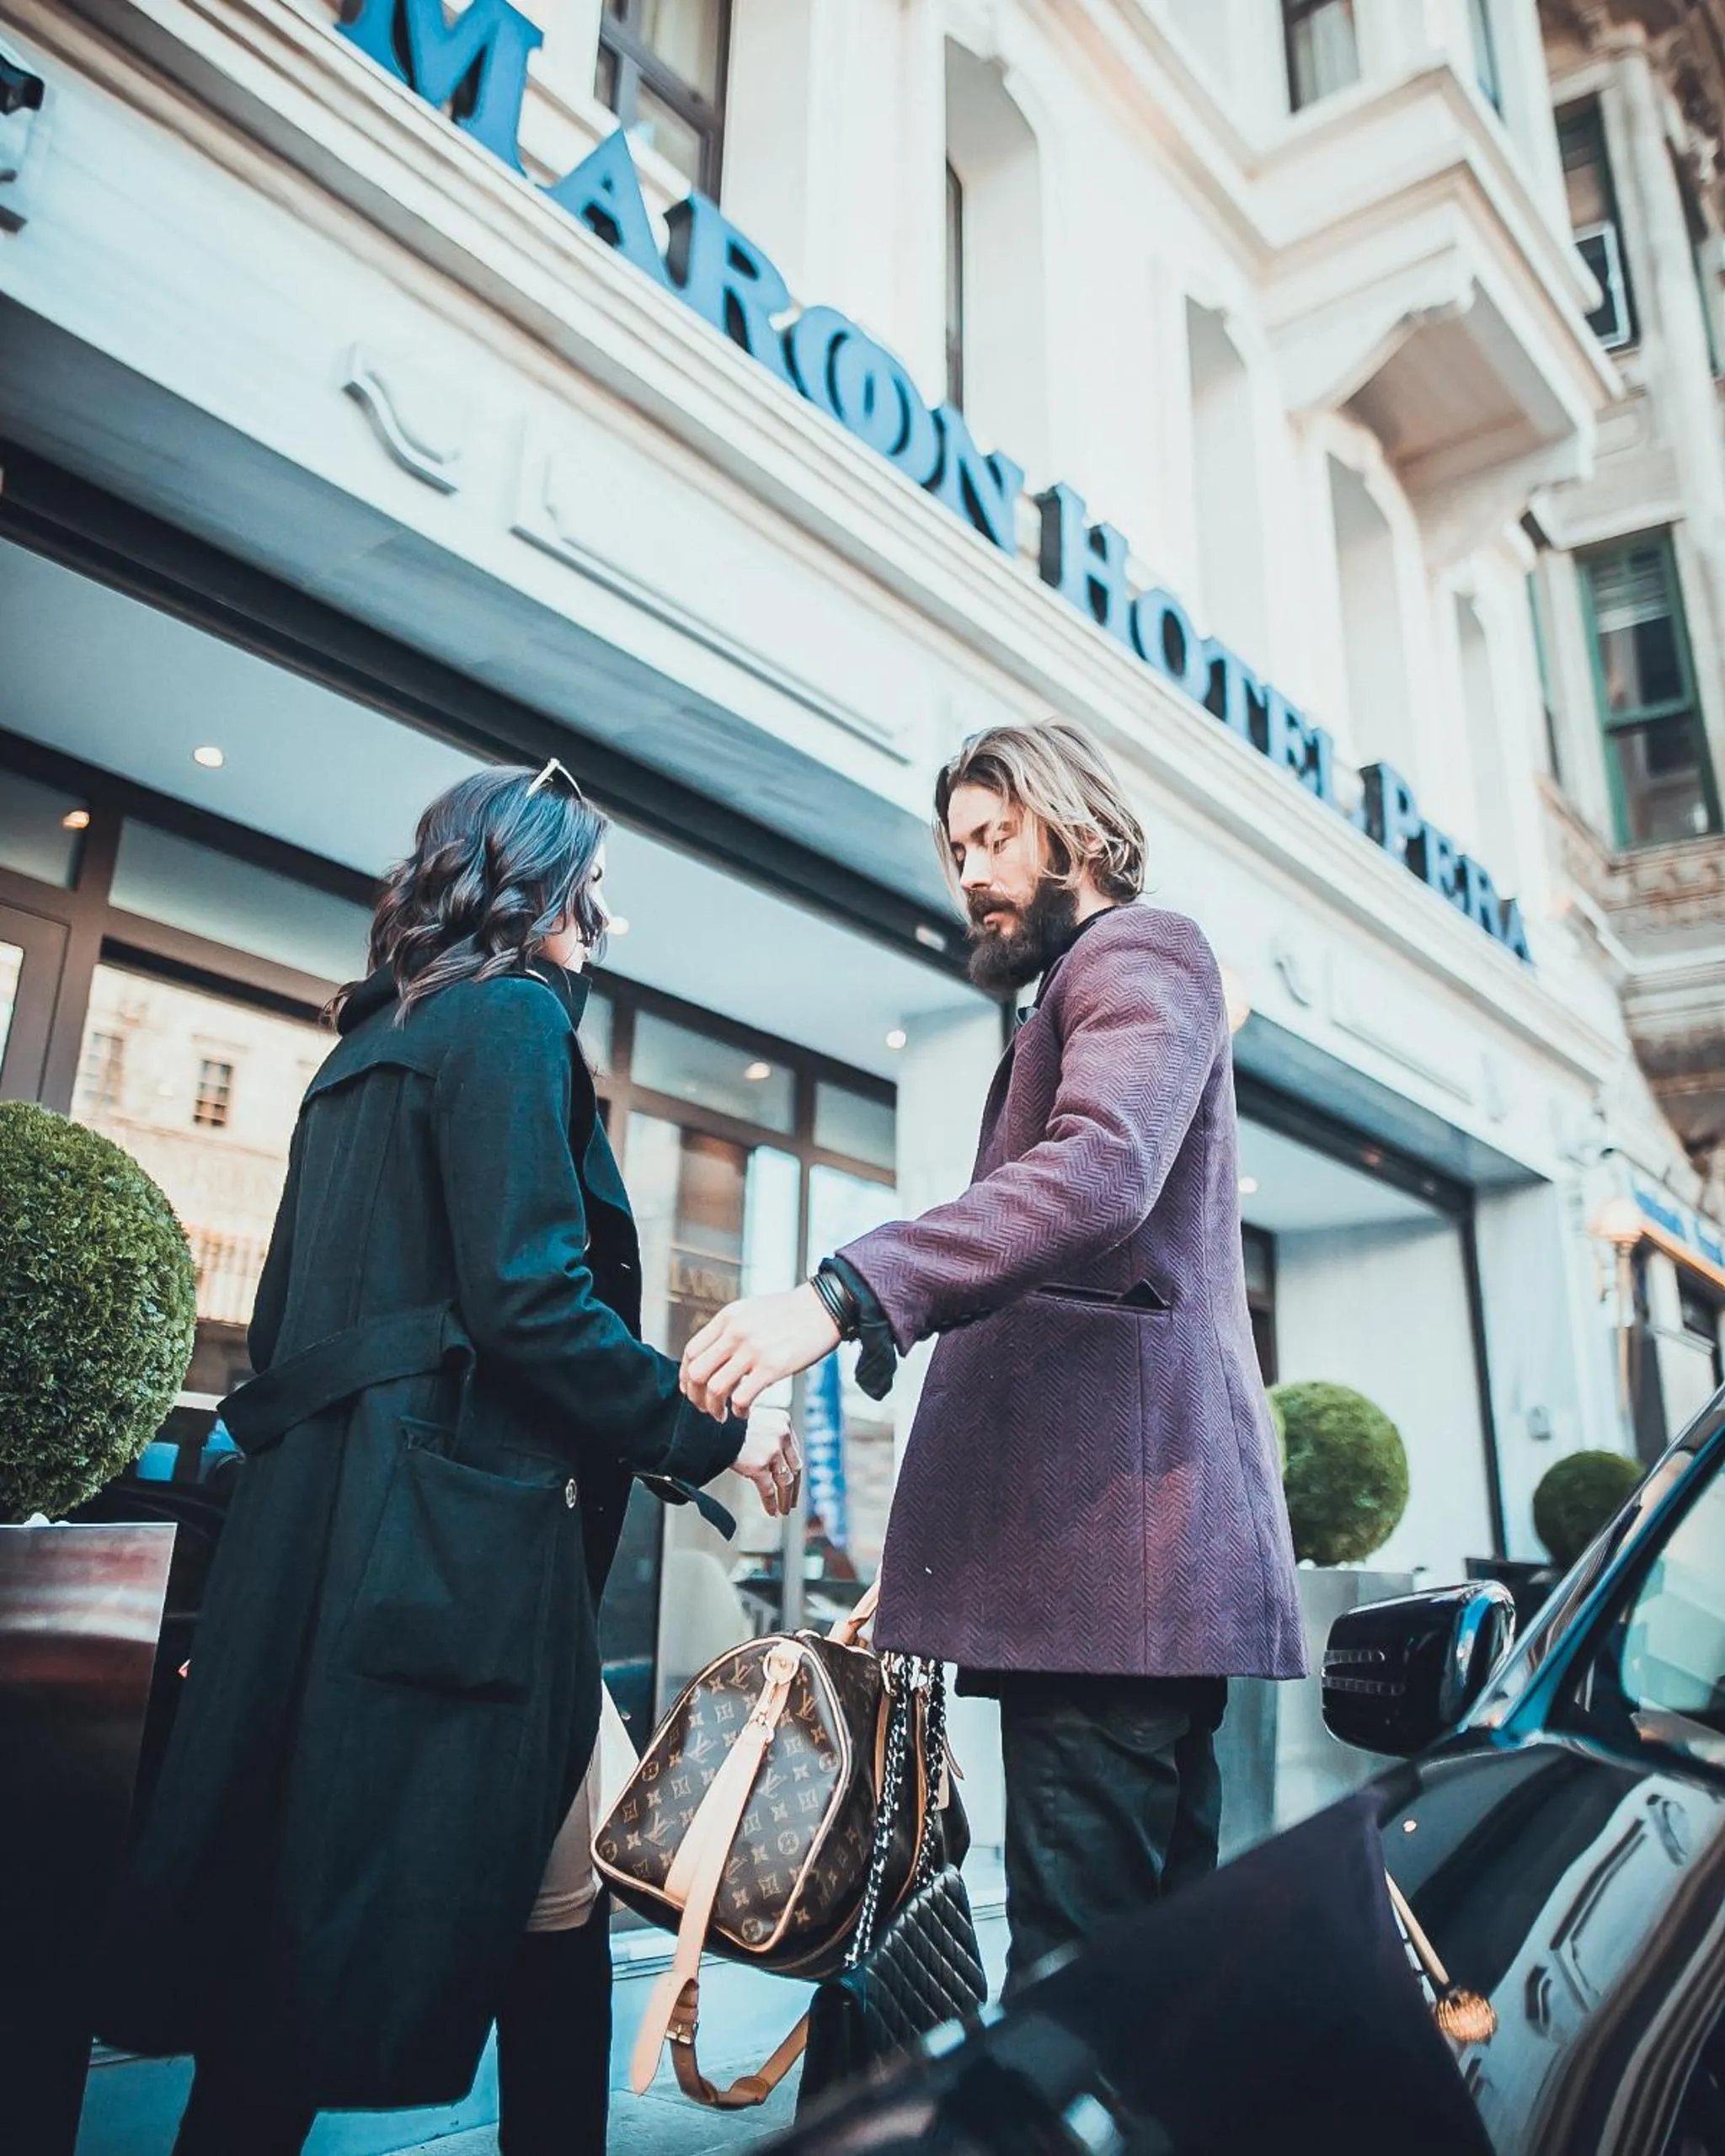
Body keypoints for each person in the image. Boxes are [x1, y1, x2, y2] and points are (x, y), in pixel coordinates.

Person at [97, 760, 802, 2153]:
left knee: (317, 1919)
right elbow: (533, 1301)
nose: (604, 914)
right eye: (590, 881)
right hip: (457, 1570)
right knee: (526, 1918)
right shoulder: (511, 1027)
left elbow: (290, 1324)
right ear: (535, 882)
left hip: (331, 1553)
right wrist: (710, 1432)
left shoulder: (359, 1054)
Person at [680, 720, 1306, 1991]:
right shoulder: (1079, 986)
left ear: (1074, 821)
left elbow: (1098, 1174)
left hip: (1110, 1578)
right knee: (1144, 1973)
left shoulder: (1141, 946)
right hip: (1104, 1580)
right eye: (956, 844)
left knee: (1080, 1978)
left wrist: (848, 1292)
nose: (968, 869)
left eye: (994, 836)